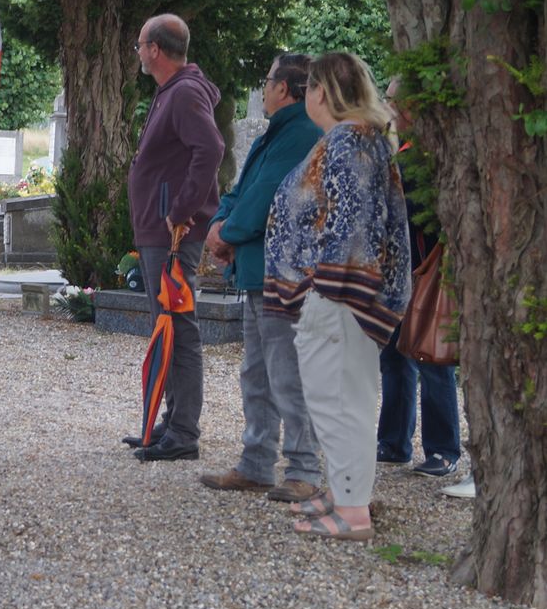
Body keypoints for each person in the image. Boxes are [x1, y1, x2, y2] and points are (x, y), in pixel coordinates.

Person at [265, 51, 410, 541]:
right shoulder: (358, 137)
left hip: (340, 295)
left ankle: (352, 511)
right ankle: (346, 492)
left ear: (321, 92)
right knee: (341, 397)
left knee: (338, 400)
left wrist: (328, 289)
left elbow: (352, 221)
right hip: (341, 294)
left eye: (309, 86)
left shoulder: (350, 140)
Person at [198, 54, 324, 501]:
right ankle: (256, 463)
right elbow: (240, 191)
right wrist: (222, 224)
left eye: (268, 81)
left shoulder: (302, 133)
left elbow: (268, 197)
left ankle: (305, 469)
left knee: (288, 375)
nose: (264, 88)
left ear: (284, 88)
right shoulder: (275, 132)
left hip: (282, 273)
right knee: (256, 373)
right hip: (258, 270)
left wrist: (226, 234)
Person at [125, 13, 224, 461]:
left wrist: (181, 209)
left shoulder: (184, 92)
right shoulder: (172, 90)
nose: (138, 53)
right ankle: (170, 420)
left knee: (179, 328)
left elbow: (211, 148)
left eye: (140, 45)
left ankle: (184, 432)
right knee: (165, 326)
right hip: (160, 228)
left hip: (173, 233)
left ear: (155, 50)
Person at [376, 77, 462, 478]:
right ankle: (393, 441)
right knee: (394, 357)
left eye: (392, 100)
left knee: (431, 357)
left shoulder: (422, 157)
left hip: (423, 271)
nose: (387, 107)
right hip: (397, 272)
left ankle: (443, 449)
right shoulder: (403, 151)